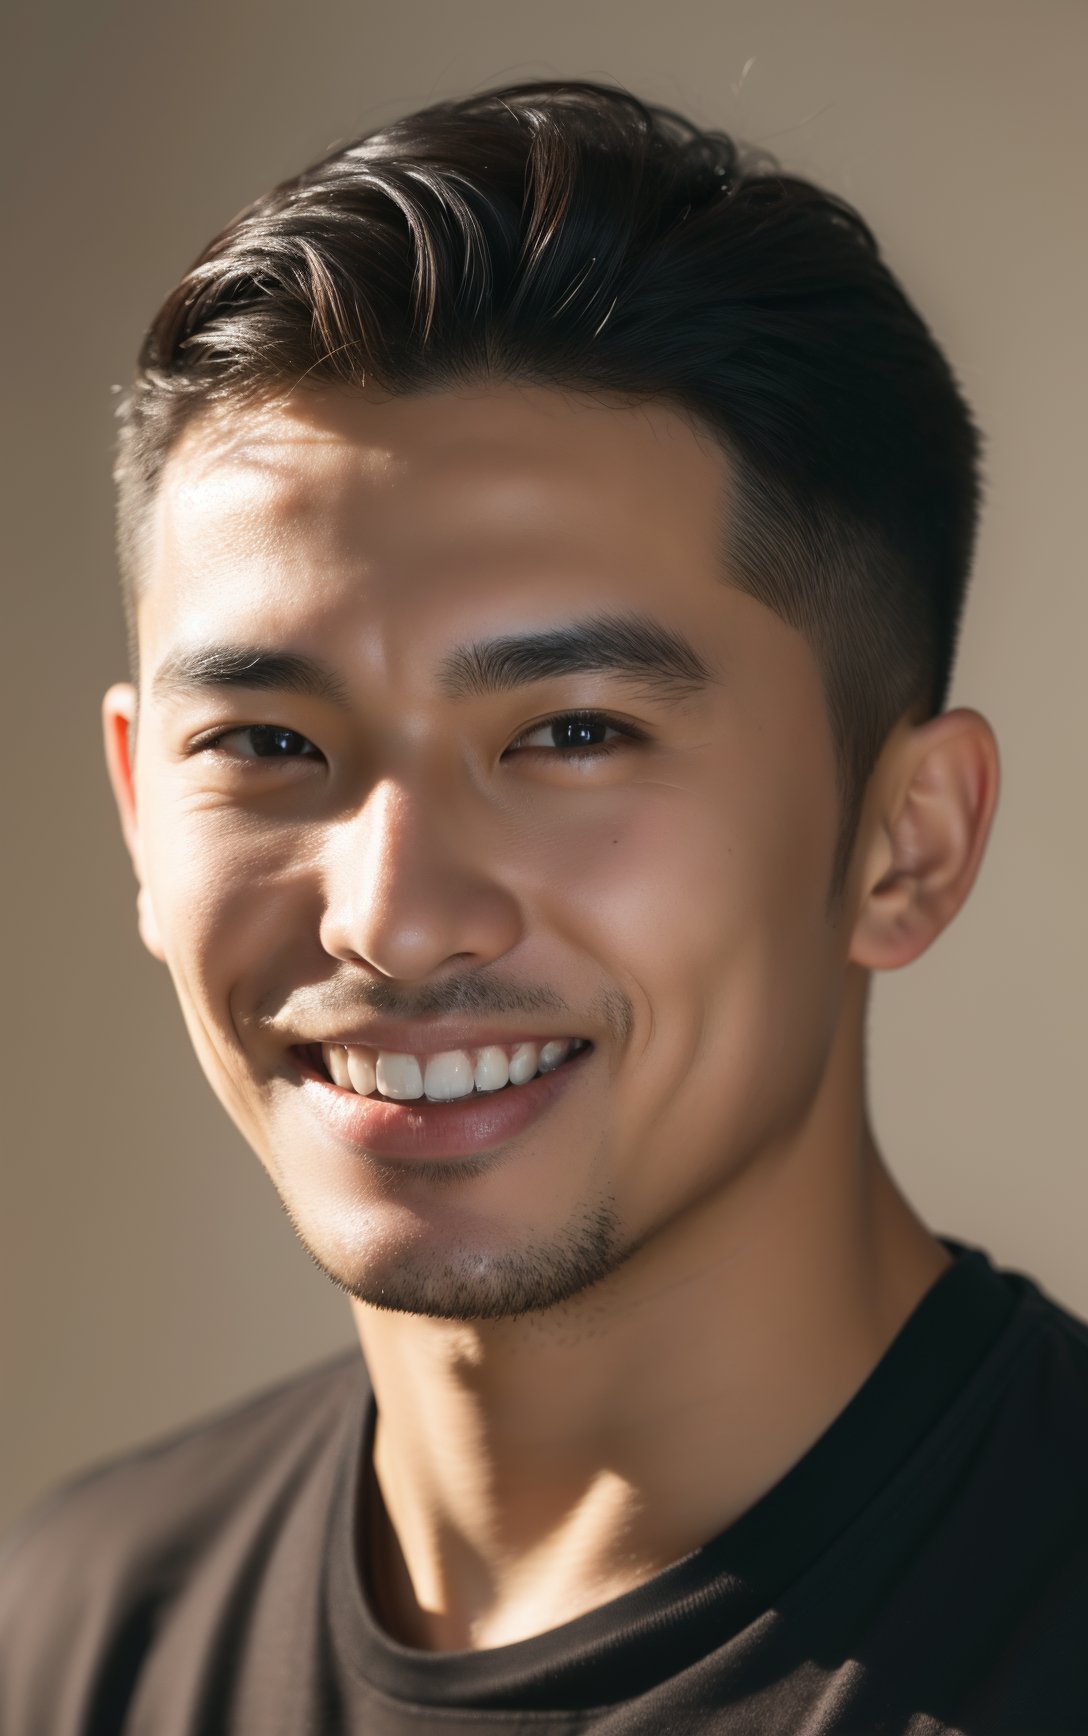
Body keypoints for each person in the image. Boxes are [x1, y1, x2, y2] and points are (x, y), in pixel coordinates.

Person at [2, 77, 1086, 1735]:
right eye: (270, 743)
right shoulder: (72, 1637)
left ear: (906, 844)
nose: (393, 915)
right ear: (144, 810)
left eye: (574, 735)